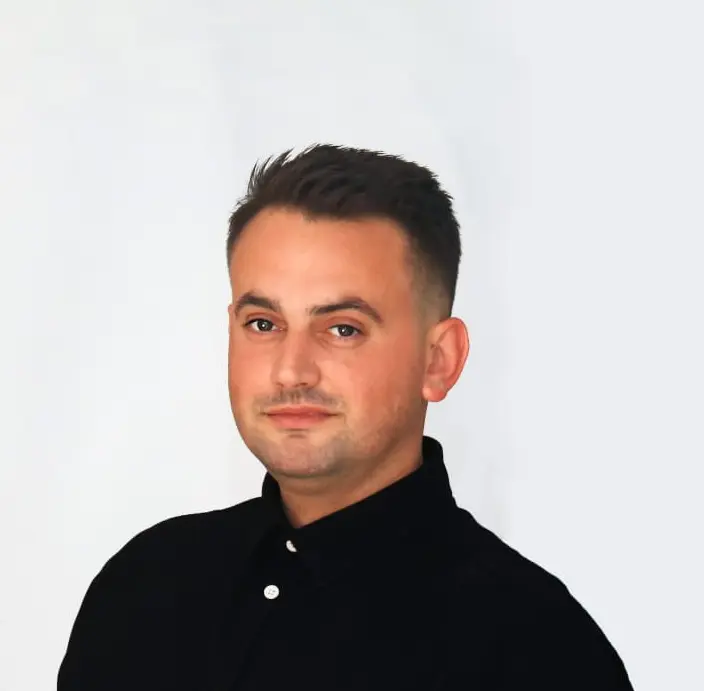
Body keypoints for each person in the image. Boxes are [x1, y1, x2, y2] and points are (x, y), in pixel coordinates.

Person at [57, 144, 634, 690]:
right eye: (263, 324)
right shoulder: (144, 588)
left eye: (342, 329)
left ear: (438, 360)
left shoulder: (538, 651)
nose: (291, 370)